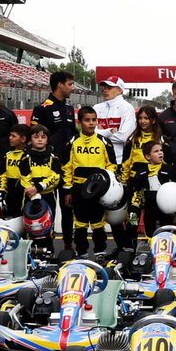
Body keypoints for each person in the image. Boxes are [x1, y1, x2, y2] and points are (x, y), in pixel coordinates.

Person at [62, 105, 121, 255]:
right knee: (80, 224)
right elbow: (67, 168)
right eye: (87, 120)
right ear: (79, 122)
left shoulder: (104, 142)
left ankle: (100, 252)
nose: (91, 123)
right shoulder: (72, 142)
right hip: (78, 189)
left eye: (94, 120)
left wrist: (106, 184)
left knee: (98, 223)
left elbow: (112, 165)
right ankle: (81, 253)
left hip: (98, 190)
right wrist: (68, 191)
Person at [32, 70, 79, 251]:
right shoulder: (43, 108)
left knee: (68, 207)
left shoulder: (69, 109)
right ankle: (46, 246)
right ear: (60, 85)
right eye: (70, 84)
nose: (72, 88)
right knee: (46, 206)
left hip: (67, 167)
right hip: (47, 167)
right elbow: (34, 138)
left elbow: (73, 136)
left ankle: (68, 245)